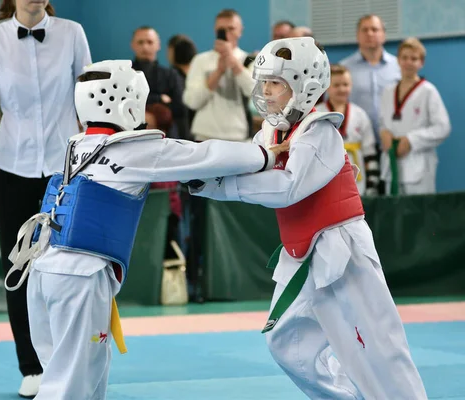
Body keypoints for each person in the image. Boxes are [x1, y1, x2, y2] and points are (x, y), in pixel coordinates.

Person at [5, 59, 286, 400]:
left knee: (75, 373)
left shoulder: (75, 144)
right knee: (70, 384)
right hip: (79, 277)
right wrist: (265, 155)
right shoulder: (132, 149)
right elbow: (205, 155)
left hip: (43, 272)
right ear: (128, 103)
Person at [189, 37, 428, 399]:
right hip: (303, 252)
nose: (265, 92)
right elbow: (249, 162)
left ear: (304, 87)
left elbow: (286, 188)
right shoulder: (271, 132)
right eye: (263, 82)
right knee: (287, 341)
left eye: (276, 84)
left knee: (376, 346)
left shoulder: (321, 131)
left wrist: (218, 187)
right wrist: (198, 169)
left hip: (342, 250)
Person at [0, 0, 92, 397]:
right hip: (10, 168)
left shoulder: (72, 33)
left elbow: (90, 101)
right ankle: (31, 366)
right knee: (19, 267)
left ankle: (70, 362)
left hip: (65, 168)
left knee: (69, 265)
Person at [379, 37, 450, 195]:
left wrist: (412, 140)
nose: (408, 62)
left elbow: (443, 127)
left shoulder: (428, 91)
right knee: (395, 214)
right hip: (392, 162)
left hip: (418, 164)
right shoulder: (388, 91)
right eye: (404, 58)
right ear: (398, 60)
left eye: (414, 58)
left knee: (419, 215)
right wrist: (383, 132)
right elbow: (383, 121)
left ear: (421, 63)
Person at [316, 64, 378, 195]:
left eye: (345, 84)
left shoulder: (360, 114)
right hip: (325, 171)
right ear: (327, 87)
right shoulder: (317, 113)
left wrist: (373, 183)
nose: (342, 89)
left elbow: (369, 150)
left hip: (357, 171)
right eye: (336, 85)